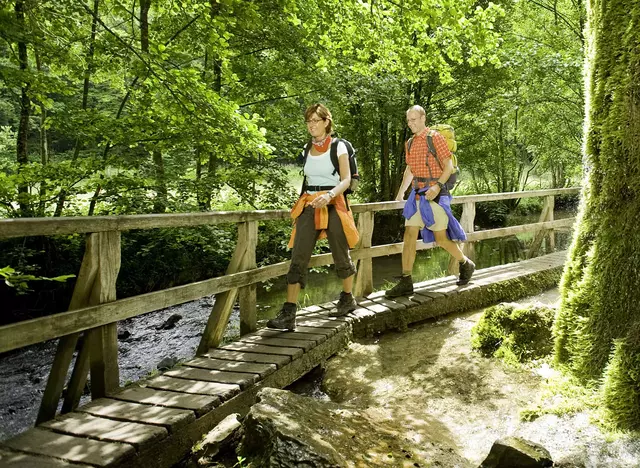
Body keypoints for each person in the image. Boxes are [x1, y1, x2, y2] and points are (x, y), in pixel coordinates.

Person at [267, 104, 359, 330]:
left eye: (316, 121)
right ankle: (289, 312)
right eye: (308, 121)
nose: (312, 125)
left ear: (327, 122)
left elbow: (346, 179)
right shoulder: (307, 148)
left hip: (333, 201)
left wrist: (329, 196)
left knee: (340, 251)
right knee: (299, 254)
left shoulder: (339, 147)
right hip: (310, 203)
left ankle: (347, 298)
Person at [386, 105, 475, 298]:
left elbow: (448, 165)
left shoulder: (435, 138)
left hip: (435, 195)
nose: (411, 124)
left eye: (414, 119)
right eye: (408, 120)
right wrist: (400, 193)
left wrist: (437, 187)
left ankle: (465, 263)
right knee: (409, 235)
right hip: (417, 196)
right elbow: (410, 170)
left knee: (441, 238)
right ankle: (406, 280)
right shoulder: (409, 143)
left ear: (423, 118)